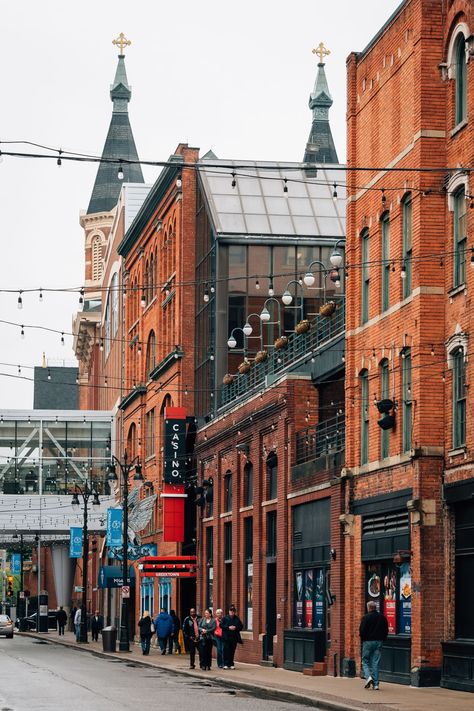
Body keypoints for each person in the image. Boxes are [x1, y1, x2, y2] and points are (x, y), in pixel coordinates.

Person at [359, 601, 389, 691]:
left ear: (369, 608)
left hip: (367, 642)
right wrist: (382, 639)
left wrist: (363, 639)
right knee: (375, 662)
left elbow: (362, 631)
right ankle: (376, 685)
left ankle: (368, 677)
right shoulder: (382, 617)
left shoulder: (365, 617)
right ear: (375, 608)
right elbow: (386, 630)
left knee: (365, 661)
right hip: (379, 641)